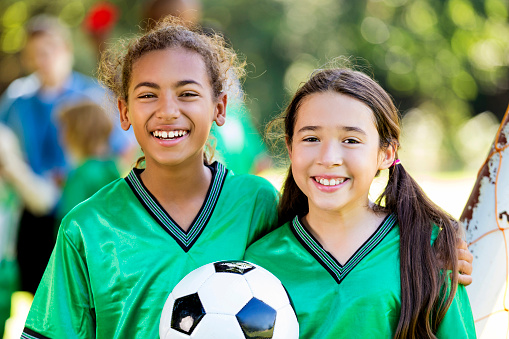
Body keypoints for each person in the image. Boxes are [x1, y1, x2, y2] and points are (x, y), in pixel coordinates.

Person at [20, 16, 279, 338]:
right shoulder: (87, 226)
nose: (168, 110)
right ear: (124, 111)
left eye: (187, 93)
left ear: (220, 107)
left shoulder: (257, 203)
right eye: (147, 95)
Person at [244, 68, 476, 338]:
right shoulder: (260, 262)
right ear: (290, 147)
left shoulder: (428, 250)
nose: (328, 158)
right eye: (311, 139)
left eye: (351, 140)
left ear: (386, 154)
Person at [0, 14, 136, 295]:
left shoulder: (93, 96)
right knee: (40, 291)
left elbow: (124, 149)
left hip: (83, 204)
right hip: (34, 207)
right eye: (35, 53)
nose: (44, 59)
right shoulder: (17, 99)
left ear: (66, 51)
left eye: (50, 50)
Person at [55, 101, 121, 223]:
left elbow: (69, 224)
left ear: (77, 133)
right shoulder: (112, 166)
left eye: (64, 130)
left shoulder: (80, 175)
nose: (61, 138)